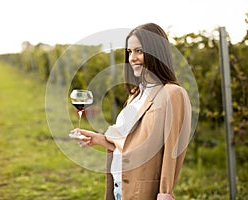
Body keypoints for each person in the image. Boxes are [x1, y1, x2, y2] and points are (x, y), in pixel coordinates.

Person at [70, 22, 192, 200]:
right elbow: (130, 142)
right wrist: (99, 139)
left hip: (142, 192)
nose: (132, 58)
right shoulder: (136, 94)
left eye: (139, 51)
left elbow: (173, 148)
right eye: (129, 52)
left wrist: (165, 192)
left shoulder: (172, 94)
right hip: (120, 189)